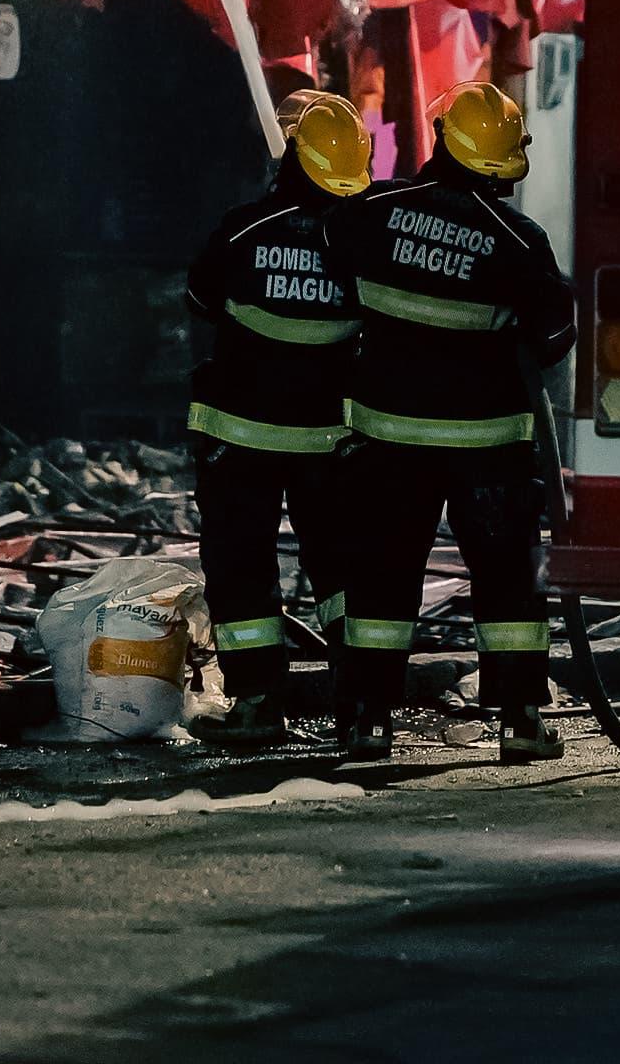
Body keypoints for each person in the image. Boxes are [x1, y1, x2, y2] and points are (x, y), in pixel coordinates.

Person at [336, 80, 576, 765]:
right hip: (490, 450)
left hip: (389, 442)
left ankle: (369, 726)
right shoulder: (519, 241)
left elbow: (334, 268)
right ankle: (521, 723)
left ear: (441, 138)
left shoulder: (372, 211)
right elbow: (556, 336)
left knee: (381, 582)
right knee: (506, 582)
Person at [186, 89, 373, 746]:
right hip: (333, 445)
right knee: (347, 574)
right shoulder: (364, 246)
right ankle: (361, 709)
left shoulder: (242, 229)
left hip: (240, 438)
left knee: (242, 570)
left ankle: (259, 704)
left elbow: (200, 297)